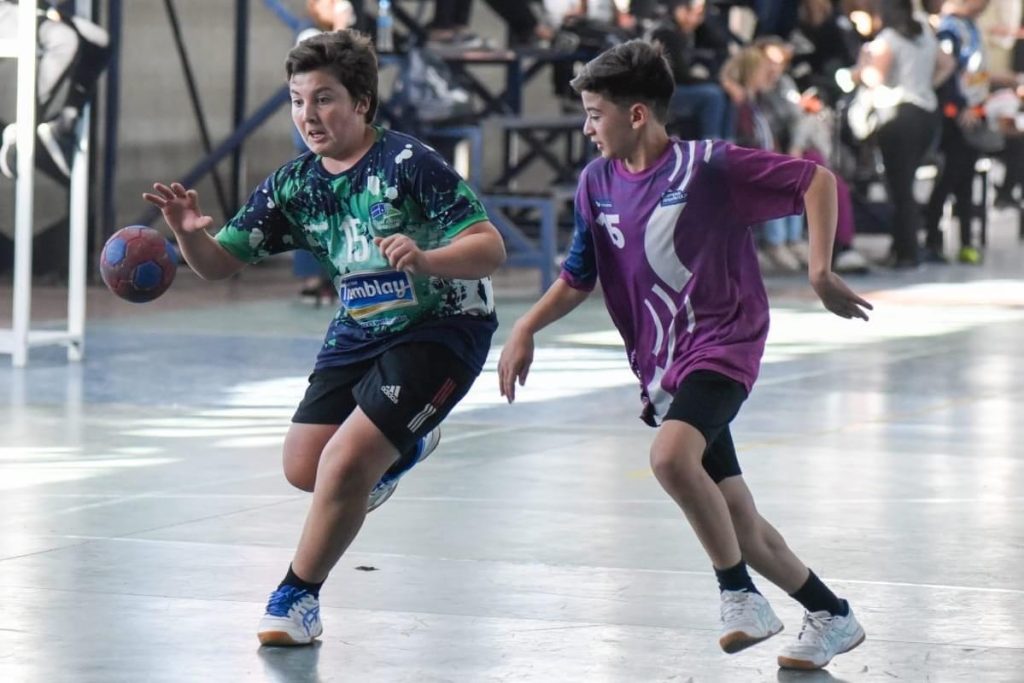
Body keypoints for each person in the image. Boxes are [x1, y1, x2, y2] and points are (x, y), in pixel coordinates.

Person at [498, 39, 872, 671]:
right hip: (664, 364)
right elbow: (578, 275)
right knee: (740, 521)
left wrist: (819, 270)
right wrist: (525, 327)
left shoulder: (708, 167)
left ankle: (738, 595)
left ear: (637, 114)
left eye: (594, 115)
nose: (587, 129)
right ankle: (832, 614)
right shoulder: (596, 183)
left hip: (724, 342)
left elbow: (817, 181)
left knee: (671, 457)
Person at [143, 29, 506, 647]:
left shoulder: (409, 164)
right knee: (305, 466)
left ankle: (297, 598)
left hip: (443, 326)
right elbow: (220, 263)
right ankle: (410, 443)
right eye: (297, 100)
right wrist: (187, 233)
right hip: (360, 327)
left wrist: (426, 257)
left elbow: (489, 248)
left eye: (324, 98)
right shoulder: (295, 184)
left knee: (344, 464)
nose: (308, 115)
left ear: (362, 102)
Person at [854, 0, 954, 268]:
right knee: (906, 183)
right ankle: (902, 246)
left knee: (899, 187)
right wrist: (927, 85)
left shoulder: (888, 39)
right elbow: (947, 63)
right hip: (926, 112)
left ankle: (907, 252)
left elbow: (875, 78)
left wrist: (862, 66)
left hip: (898, 114)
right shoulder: (924, 33)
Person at [0, 0, 111, 179]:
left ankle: (63, 122)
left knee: (99, 40)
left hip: (36, 8)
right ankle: (21, 130)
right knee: (64, 40)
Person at [923, 0, 994, 265]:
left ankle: (966, 242)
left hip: (974, 113)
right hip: (954, 118)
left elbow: (977, 72)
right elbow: (948, 72)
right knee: (948, 179)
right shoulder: (949, 29)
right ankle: (932, 240)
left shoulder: (971, 26)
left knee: (966, 182)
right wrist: (960, 106)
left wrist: (978, 106)